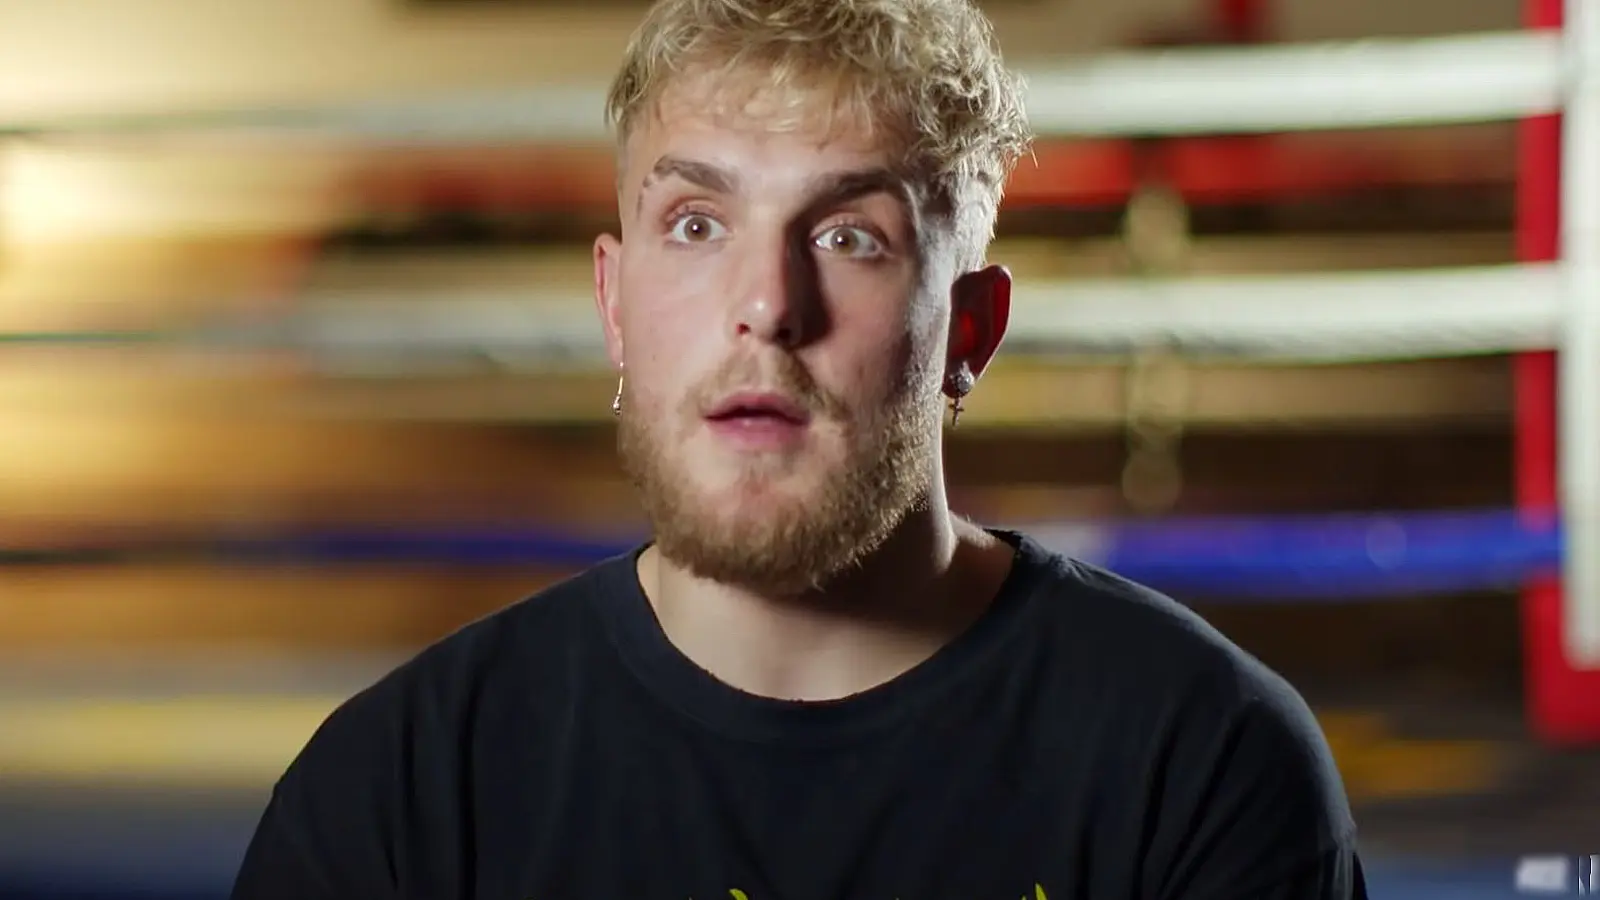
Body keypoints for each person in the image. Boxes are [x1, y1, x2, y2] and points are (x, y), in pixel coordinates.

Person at [231, 0, 1367, 897]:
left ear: (967, 332)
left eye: (847, 235)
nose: (767, 306)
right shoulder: (404, 794)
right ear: (617, 303)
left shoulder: (1200, 764)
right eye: (695, 224)